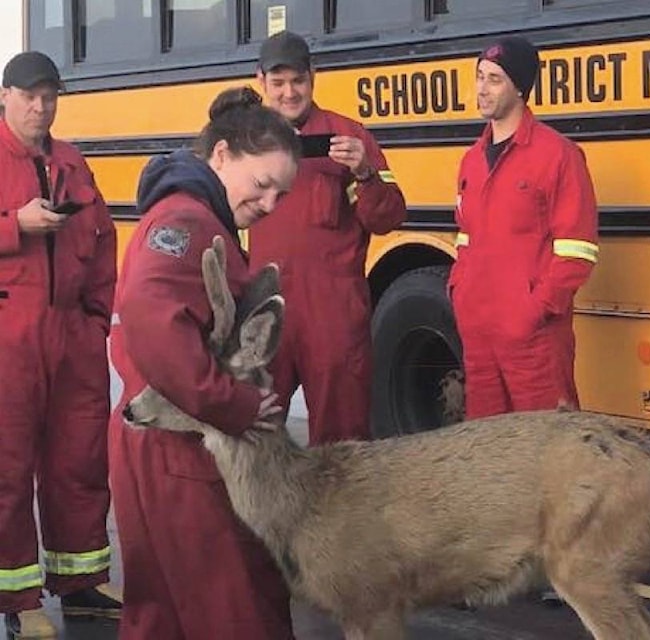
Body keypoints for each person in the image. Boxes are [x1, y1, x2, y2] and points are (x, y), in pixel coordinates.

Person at [108, 87, 299, 639]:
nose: (268, 204)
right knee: (236, 606)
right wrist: (232, 403)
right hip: (178, 448)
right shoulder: (189, 223)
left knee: (161, 612)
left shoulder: (193, 216)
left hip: (157, 441)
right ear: (220, 155)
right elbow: (149, 312)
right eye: (262, 185)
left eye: (280, 196)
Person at [0, 51, 119, 638]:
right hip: (8, 337)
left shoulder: (73, 161)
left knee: (80, 459)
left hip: (73, 335)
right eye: (29, 96)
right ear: (5, 97)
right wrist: (12, 224)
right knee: (8, 468)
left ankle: (83, 582)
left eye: (49, 97)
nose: (40, 107)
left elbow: (103, 243)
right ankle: (18, 600)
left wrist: (97, 319)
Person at [250, 31, 407, 446]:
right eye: (278, 83)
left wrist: (364, 173)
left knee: (342, 447)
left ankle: (343, 514)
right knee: (252, 438)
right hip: (264, 315)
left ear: (314, 77)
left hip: (333, 320)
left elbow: (389, 216)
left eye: (298, 81)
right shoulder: (243, 142)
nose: (289, 93)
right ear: (260, 81)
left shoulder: (348, 136)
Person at [450, 36, 599, 420]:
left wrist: (533, 311)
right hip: (479, 335)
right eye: (480, 77)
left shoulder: (559, 156)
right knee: (487, 451)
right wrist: (461, 295)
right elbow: (465, 240)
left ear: (520, 87)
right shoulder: (471, 161)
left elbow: (576, 251)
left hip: (534, 339)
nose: (482, 88)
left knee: (547, 454)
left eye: (494, 79)